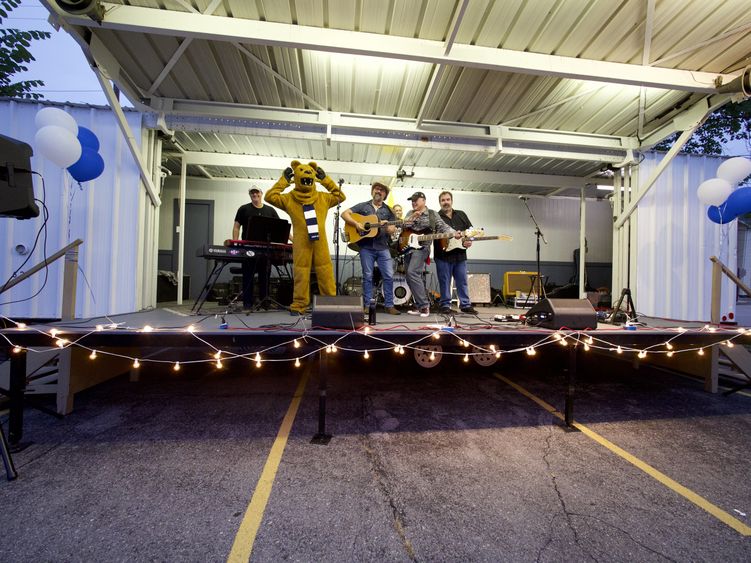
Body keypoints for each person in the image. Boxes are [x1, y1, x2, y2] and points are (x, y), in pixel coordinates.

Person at [342, 182, 400, 315]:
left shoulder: (389, 210)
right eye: (376, 189)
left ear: (385, 194)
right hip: (366, 247)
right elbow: (345, 214)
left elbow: (392, 230)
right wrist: (356, 224)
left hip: (383, 247)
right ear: (372, 191)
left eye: (382, 190)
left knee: (389, 276)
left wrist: (387, 227)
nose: (378, 191)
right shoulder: (363, 206)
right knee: (367, 276)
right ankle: (367, 305)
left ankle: (389, 305)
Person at [402, 191, 461, 317]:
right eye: (412, 201)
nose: (413, 203)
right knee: (408, 276)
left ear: (423, 201)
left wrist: (454, 232)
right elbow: (402, 227)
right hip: (408, 249)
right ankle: (418, 305)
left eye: (415, 200)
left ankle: (424, 306)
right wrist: (412, 218)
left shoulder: (432, 214)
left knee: (412, 272)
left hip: (422, 248)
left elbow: (443, 227)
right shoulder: (410, 213)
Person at [232, 186, 280, 309]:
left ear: (261, 194)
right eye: (252, 193)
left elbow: (281, 227)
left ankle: (265, 303)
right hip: (247, 248)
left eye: (256, 192)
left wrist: (294, 240)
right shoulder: (243, 209)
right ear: (250, 195)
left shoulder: (270, 210)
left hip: (265, 250)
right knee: (248, 276)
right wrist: (236, 243)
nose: (255, 194)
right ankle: (248, 304)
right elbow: (236, 226)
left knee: (265, 277)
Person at [434, 191, 477, 315]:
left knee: (462, 281)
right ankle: (445, 305)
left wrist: (469, 240)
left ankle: (465, 305)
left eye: (448, 199)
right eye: (443, 200)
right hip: (442, 256)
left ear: (452, 201)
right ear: (440, 202)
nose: (446, 202)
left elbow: (470, 231)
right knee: (444, 282)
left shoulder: (461, 215)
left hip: (460, 255)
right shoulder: (436, 217)